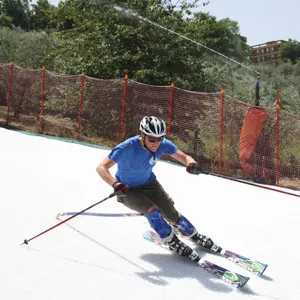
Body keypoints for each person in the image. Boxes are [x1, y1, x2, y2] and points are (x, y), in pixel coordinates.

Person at [96, 116, 218, 260]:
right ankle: (171, 241)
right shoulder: (126, 147)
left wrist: (191, 164)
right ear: (142, 135)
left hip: (149, 183)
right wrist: (115, 184)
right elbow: (101, 167)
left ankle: (194, 235)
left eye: (159, 139)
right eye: (152, 139)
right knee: (152, 211)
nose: (156, 143)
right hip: (127, 189)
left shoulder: (163, 144)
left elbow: (184, 157)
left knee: (172, 214)